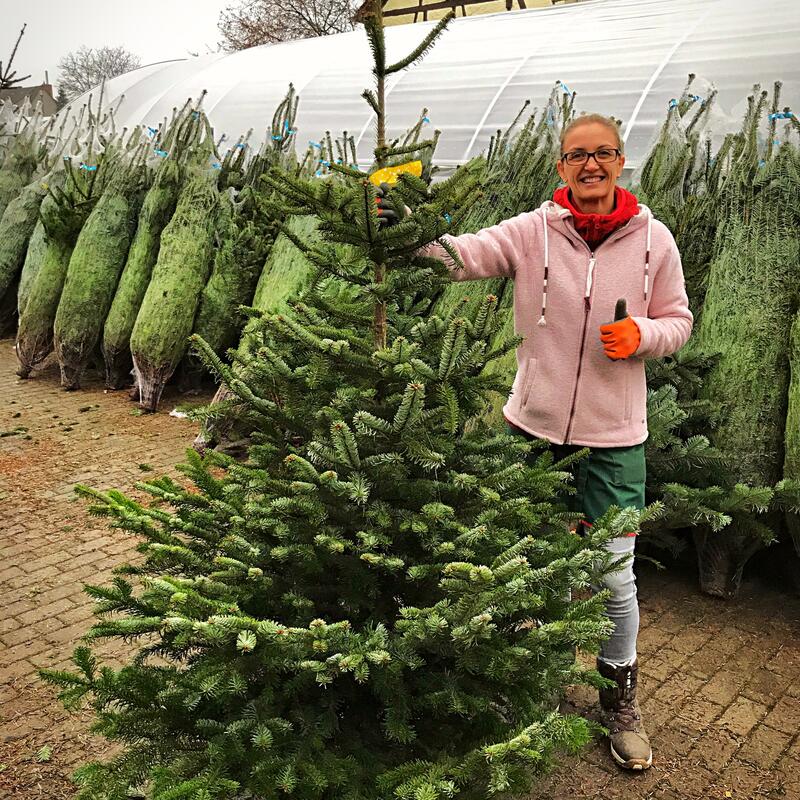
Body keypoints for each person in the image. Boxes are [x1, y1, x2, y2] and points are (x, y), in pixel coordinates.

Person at [377, 113, 693, 771]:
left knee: (614, 576)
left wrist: (643, 335)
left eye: (602, 153)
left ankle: (619, 700)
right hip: (531, 430)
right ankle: (531, 684)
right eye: (577, 155)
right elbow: (459, 255)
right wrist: (401, 228)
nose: (591, 165)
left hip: (614, 439)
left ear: (620, 161)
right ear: (561, 166)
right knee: (527, 565)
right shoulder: (532, 231)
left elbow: (679, 320)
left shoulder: (654, 240)